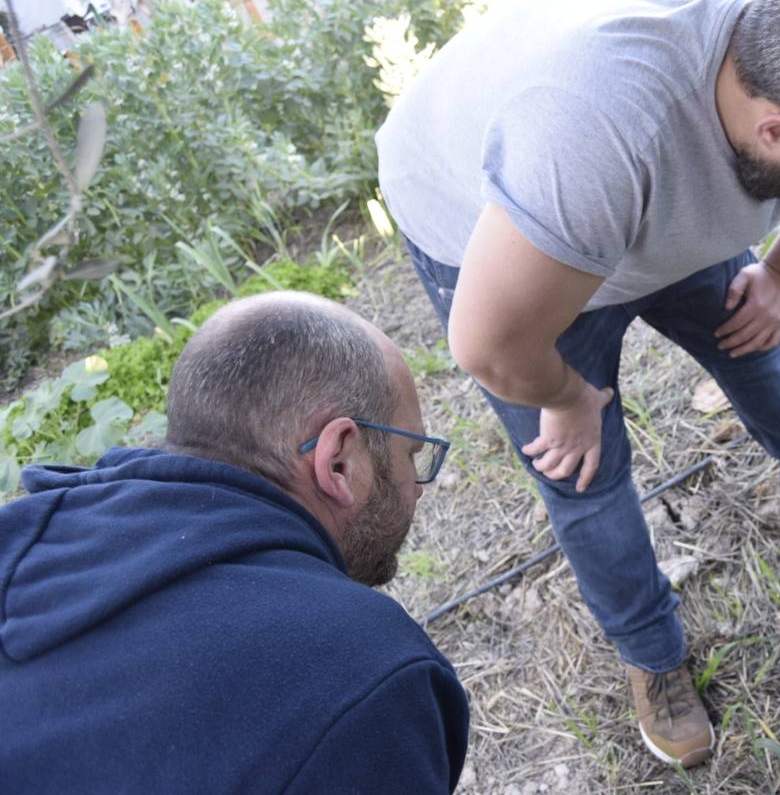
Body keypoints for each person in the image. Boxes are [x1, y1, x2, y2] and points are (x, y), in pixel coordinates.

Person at [376, 0, 780, 768]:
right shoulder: (594, 137)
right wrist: (570, 395)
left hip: (637, 180)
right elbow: (492, 344)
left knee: (756, 341)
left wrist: (778, 272)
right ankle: (653, 655)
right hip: (504, 226)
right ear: (779, 130)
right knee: (583, 463)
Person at [0, 292, 469, 793]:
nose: (417, 488)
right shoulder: (363, 679)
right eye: (411, 455)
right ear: (339, 462)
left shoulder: (25, 535)